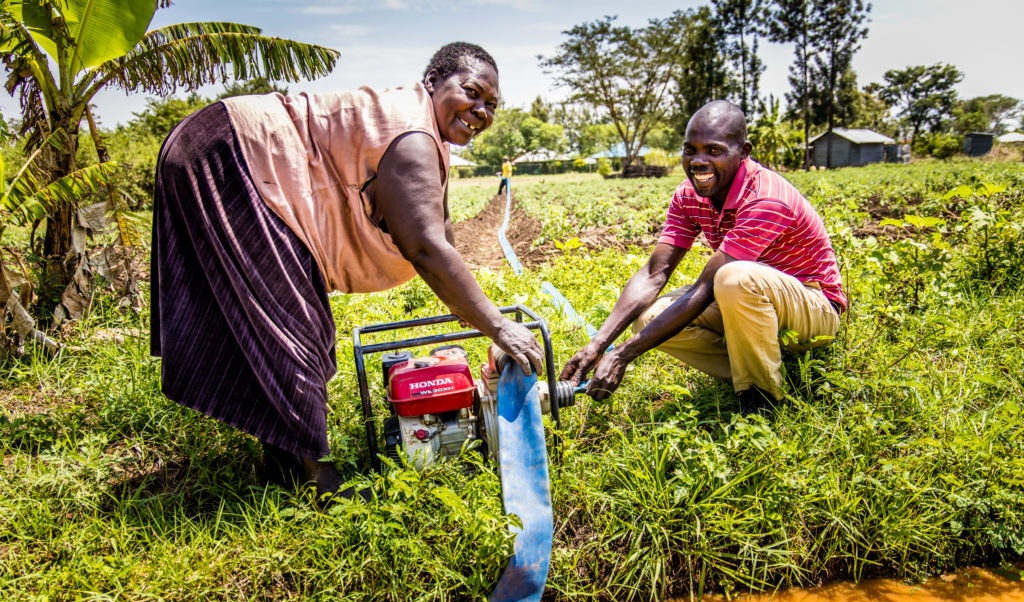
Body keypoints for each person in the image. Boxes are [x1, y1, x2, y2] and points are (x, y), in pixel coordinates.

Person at [151, 42, 544, 497]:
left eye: (491, 105)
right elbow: (425, 247)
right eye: (472, 93)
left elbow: (441, 223)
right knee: (293, 331)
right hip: (231, 157)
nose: (481, 111)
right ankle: (320, 481)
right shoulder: (414, 134)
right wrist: (497, 326)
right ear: (434, 81)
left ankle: (282, 455)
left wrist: (465, 305)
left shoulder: (422, 130)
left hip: (229, 154)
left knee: (278, 325)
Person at [560, 100, 846, 415]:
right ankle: (757, 370)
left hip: (813, 307)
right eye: (690, 150)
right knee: (650, 317)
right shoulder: (688, 196)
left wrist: (622, 355)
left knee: (733, 278)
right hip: (755, 302)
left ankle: (760, 400)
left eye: (713, 151)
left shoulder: (765, 197)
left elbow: (708, 287)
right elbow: (655, 273)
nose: (698, 161)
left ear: (744, 151)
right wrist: (597, 345)